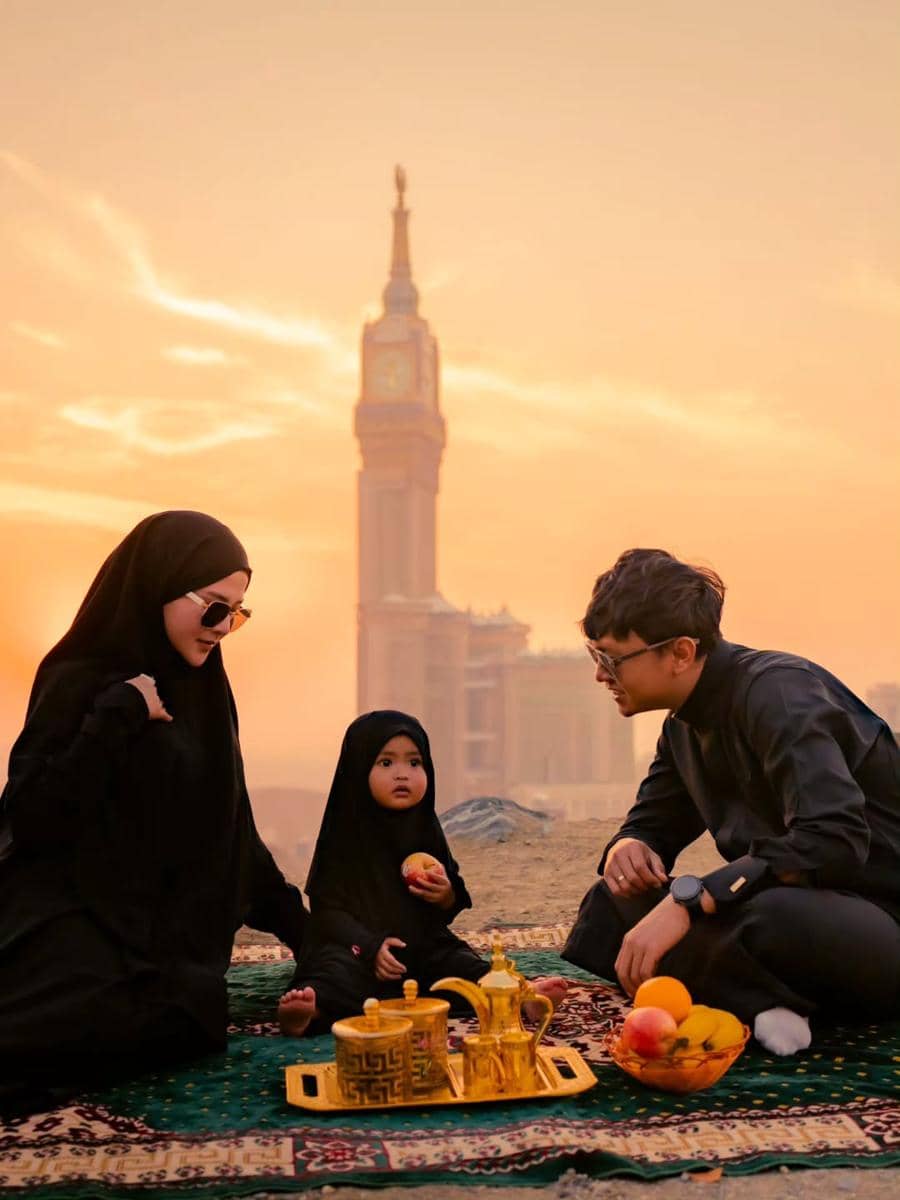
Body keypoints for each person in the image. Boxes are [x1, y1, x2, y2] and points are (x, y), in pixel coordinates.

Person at [0, 511, 306, 1108]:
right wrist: (117, 718)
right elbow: (36, 821)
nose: (222, 627)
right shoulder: (79, 679)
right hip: (68, 914)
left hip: (164, 944)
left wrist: (309, 936)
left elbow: (232, 833)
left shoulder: (206, 692)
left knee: (186, 1016)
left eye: (236, 613)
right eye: (212, 606)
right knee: (68, 1017)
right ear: (160, 585)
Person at [562, 548, 900, 1055]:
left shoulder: (781, 695)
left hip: (873, 917)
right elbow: (653, 821)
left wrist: (691, 901)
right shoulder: (681, 723)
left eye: (611, 659)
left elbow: (833, 839)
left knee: (771, 917)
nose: (600, 675)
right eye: (595, 657)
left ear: (679, 652)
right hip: (778, 908)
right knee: (611, 904)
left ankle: (736, 994)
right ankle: (758, 1002)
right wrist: (629, 846)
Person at [279, 710, 566, 1035]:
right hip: (356, 950)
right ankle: (311, 1009)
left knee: (461, 964)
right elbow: (326, 912)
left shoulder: (424, 829)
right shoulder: (345, 832)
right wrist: (370, 946)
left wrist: (445, 894)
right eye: (386, 763)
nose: (402, 774)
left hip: (419, 949)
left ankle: (517, 998)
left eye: (414, 763)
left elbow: (451, 905)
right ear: (358, 770)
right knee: (334, 973)